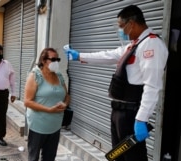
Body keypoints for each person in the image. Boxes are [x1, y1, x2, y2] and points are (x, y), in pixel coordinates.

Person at [64, 5, 168, 161]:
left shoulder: (151, 44)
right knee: (118, 156)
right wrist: (79, 56)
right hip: (119, 112)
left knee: (133, 157)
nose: (120, 31)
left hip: (131, 114)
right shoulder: (134, 44)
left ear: (131, 23)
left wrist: (141, 119)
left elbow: (152, 86)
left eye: (121, 27)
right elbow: (108, 55)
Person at [24, 48, 70, 161]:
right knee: (33, 156)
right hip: (39, 125)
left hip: (55, 125)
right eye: (53, 59)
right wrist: (49, 109)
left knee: (50, 157)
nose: (56, 62)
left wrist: (65, 104)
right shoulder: (35, 76)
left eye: (57, 59)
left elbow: (67, 95)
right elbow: (27, 101)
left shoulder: (59, 76)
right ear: (43, 61)